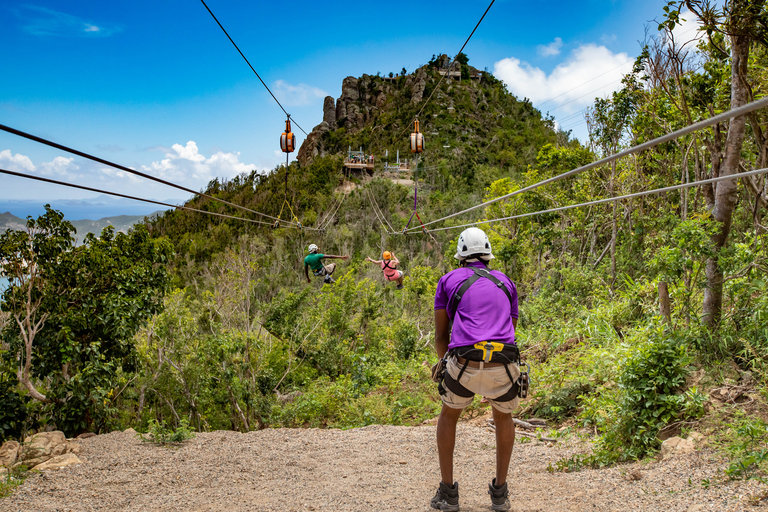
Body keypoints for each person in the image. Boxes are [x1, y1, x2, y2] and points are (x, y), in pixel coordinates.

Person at [430, 227, 521, 512]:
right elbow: (510, 331)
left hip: (464, 362)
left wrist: (444, 365)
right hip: (503, 363)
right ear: (488, 254)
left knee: (449, 415)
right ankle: (500, 495)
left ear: (460, 256)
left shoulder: (448, 280)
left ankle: (448, 494)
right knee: (503, 417)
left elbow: (441, 336)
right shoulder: (507, 282)